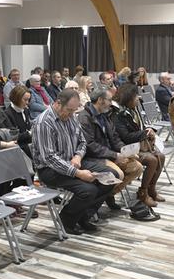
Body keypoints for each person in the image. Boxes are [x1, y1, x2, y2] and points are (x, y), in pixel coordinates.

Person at [32, 89, 113, 235]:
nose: (71, 115)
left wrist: (77, 156)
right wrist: (78, 173)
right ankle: (66, 220)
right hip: (50, 170)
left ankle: (82, 215)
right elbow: (49, 158)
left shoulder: (71, 117)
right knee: (88, 190)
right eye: (69, 110)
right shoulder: (44, 123)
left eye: (73, 111)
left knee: (111, 176)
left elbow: (82, 142)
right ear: (57, 104)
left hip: (73, 160)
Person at [79, 87, 144, 211]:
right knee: (118, 174)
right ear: (100, 100)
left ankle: (108, 195)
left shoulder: (105, 114)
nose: (111, 103)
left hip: (109, 154)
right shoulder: (84, 118)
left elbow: (114, 138)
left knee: (137, 167)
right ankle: (94, 203)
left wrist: (125, 152)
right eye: (109, 100)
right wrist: (114, 155)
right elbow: (90, 145)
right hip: (93, 157)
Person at [113, 83, 166, 207]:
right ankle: (143, 193)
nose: (138, 98)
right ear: (128, 98)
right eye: (135, 96)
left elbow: (140, 128)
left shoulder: (133, 109)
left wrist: (148, 130)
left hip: (139, 145)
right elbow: (125, 137)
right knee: (152, 160)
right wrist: (144, 134)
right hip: (127, 148)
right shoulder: (118, 114)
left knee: (161, 157)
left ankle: (151, 189)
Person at [4, 85, 33, 159]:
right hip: (19, 147)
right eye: (25, 100)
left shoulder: (25, 110)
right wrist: (30, 133)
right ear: (16, 98)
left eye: (28, 100)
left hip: (28, 143)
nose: (27, 103)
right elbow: (14, 137)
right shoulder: (7, 114)